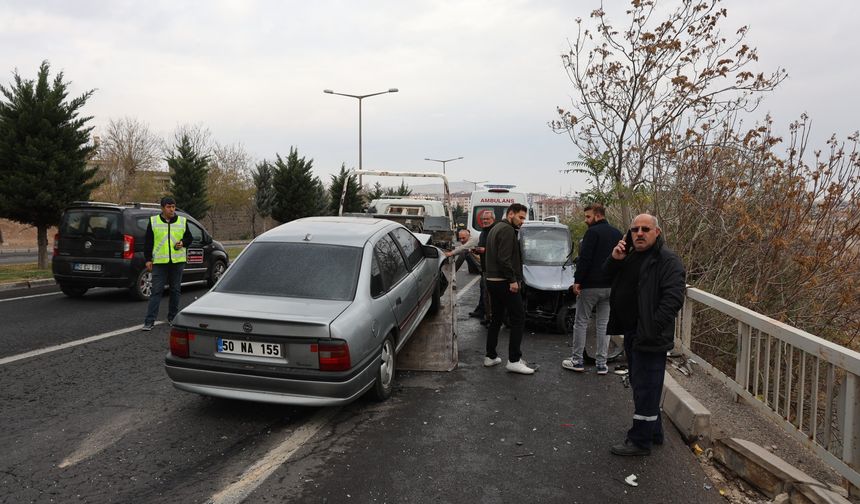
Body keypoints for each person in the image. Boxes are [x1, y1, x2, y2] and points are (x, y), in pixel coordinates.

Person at [605, 213, 686, 456]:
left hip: (650, 336)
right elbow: (606, 276)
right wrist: (615, 259)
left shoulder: (667, 260)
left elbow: (673, 299)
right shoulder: (630, 256)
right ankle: (655, 432)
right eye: (635, 229)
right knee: (643, 384)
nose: (639, 233)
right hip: (632, 332)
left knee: (646, 388)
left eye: (645, 229)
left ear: (657, 232)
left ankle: (640, 441)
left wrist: (650, 328)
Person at [562, 203, 623, 375]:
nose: (586, 220)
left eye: (588, 216)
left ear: (597, 216)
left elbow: (585, 259)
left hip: (590, 285)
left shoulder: (592, 233)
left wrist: (577, 281)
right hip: (610, 287)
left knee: (581, 322)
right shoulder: (617, 233)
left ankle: (577, 361)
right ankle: (602, 364)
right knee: (604, 324)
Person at [483, 203, 534, 374]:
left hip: (492, 280)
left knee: (497, 318)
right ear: (510, 214)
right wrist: (512, 280)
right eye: (520, 217)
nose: (522, 222)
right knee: (518, 318)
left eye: (524, 218)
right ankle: (513, 360)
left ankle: (490, 356)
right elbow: (504, 259)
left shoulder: (496, 227)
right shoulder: (506, 230)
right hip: (503, 281)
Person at [141, 196, 193, 331]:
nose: (172, 209)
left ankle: (173, 317)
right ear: (162, 208)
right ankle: (149, 321)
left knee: (175, 290)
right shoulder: (153, 222)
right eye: (169, 207)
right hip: (159, 262)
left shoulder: (182, 221)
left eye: (173, 207)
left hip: (177, 261)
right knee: (156, 292)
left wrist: (183, 243)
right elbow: (148, 242)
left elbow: (189, 238)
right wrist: (148, 259)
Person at [471, 210, 497, 324]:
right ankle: (481, 311)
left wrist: (484, 250)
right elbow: (482, 247)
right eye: (483, 219)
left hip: (492, 269)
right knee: (483, 290)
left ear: (493, 220)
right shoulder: (483, 232)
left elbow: (499, 250)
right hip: (484, 267)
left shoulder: (495, 231)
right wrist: (477, 250)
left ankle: (490, 319)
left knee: (490, 294)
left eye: (487, 219)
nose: (485, 221)